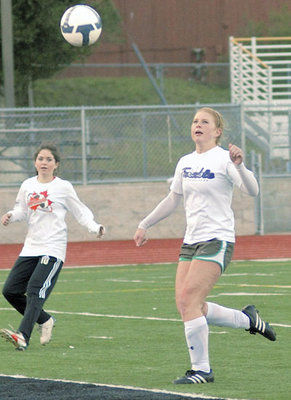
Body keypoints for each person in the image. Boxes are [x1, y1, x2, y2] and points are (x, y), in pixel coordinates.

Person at [134, 107, 276, 384]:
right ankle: (249, 320)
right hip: (190, 242)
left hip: (217, 239)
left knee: (189, 301)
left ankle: (202, 370)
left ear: (217, 131)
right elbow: (173, 199)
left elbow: (252, 190)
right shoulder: (185, 161)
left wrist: (240, 166)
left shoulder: (225, 159)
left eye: (204, 122)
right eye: (195, 121)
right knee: (187, 305)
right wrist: (145, 224)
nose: (198, 125)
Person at [0, 143, 105, 351]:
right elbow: (22, 209)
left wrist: (95, 227)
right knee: (10, 290)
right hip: (31, 247)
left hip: (53, 248)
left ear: (56, 164)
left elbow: (80, 212)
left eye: (49, 160)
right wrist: (11, 216)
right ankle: (45, 320)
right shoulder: (28, 185)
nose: (44, 163)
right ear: (35, 162)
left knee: (35, 291)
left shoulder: (63, 187)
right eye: (40, 159)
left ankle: (23, 336)